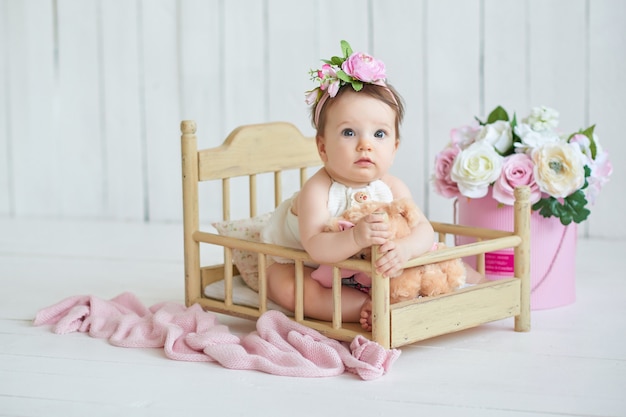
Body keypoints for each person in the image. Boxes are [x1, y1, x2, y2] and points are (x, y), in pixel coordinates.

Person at [261, 40, 435, 330]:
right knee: (290, 288)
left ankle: (388, 295)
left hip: (352, 267)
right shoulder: (316, 190)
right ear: (323, 147)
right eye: (349, 132)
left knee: (419, 262)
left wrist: (404, 250)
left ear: (394, 147)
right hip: (302, 261)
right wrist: (355, 238)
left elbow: (425, 230)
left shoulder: (393, 187)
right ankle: (361, 308)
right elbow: (316, 247)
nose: (365, 144)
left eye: (379, 134)